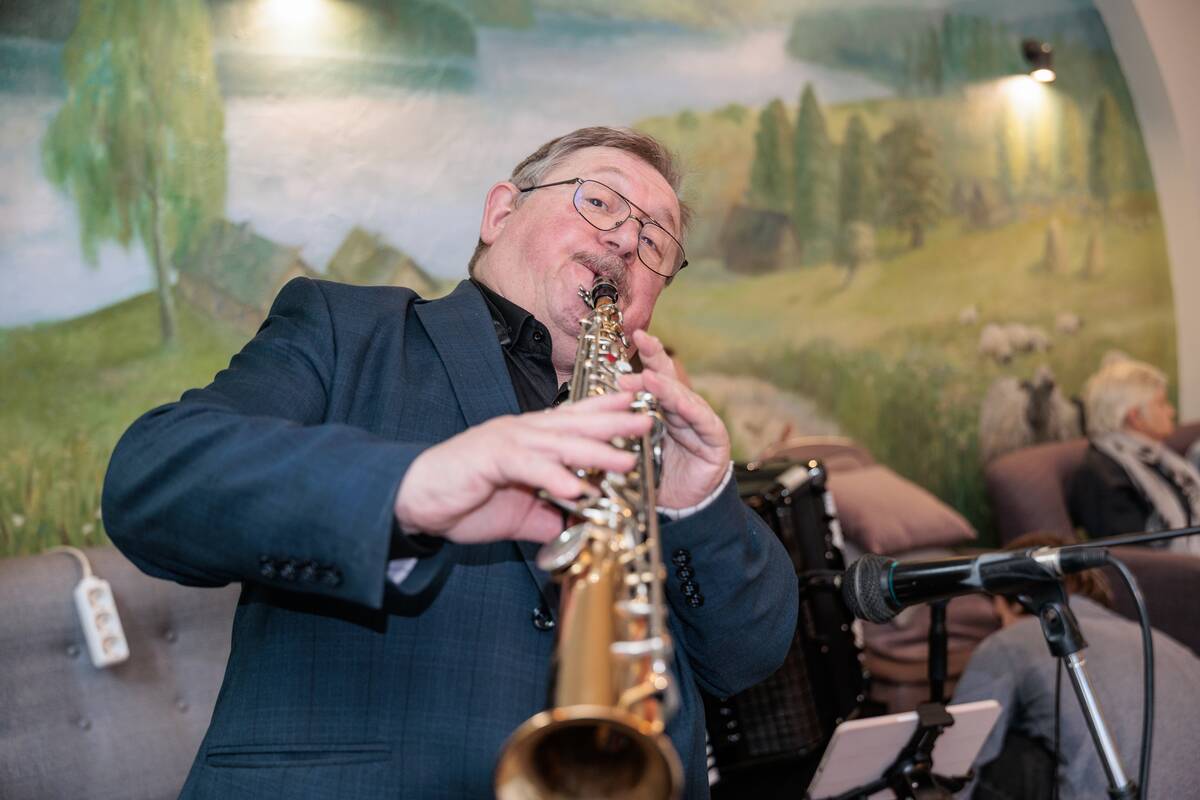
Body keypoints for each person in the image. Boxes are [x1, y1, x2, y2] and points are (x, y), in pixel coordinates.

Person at [101, 126, 798, 799]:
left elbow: (747, 658)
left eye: (655, 241)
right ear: (501, 212)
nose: (623, 240)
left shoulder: (658, 422)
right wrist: (415, 487)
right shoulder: (347, 328)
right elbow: (153, 480)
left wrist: (697, 505)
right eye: (600, 201)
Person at [952, 533, 1200, 800]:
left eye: (999, 615)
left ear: (1016, 600)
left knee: (995, 748)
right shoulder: (1168, 643)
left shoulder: (1011, 640)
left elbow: (955, 760)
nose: (1001, 625)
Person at [1068, 357, 1200, 553]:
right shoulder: (1100, 474)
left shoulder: (1158, 457)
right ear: (1136, 417)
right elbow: (1135, 556)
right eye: (1162, 404)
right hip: (1173, 569)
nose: (1171, 411)